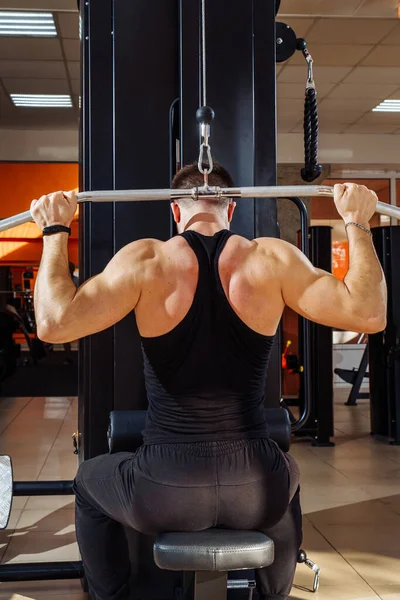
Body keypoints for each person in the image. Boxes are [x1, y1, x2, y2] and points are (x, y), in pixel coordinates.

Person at [31, 166, 387, 600]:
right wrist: (356, 221)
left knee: (89, 480)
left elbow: (53, 323)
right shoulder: (271, 259)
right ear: (231, 207)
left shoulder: (147, 260)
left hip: (165, 490)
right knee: (287, 476)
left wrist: (54, 229)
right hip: (255, 489)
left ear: (174, 210)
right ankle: (275, 594)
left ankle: (112, 596)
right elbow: (369, 314)